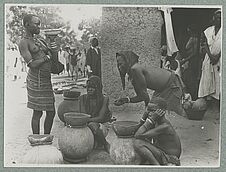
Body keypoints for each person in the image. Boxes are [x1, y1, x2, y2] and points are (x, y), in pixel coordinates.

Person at [114, 51, 186, 117]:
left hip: (170, 84)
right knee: (155, 112)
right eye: (118, 65)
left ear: (127, 61)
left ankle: (193, 118)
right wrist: (126, 100)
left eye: (120, 64)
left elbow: (144, 96)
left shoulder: (135, 70)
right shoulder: (134, 70)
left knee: (176, 111)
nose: (119, 67)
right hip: (163, 87)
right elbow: (142, 96)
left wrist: (147, 113)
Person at [18, 14, 57, 134]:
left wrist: (53, 47)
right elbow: (32, 64)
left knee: (51, 112)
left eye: (39, 24)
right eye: (36, 24)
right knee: (38, 112)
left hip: (46, 80)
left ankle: (46, 138)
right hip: (36, 81)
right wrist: (46, 58)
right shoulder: (24, 43)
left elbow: (54, 60)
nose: (39, 26)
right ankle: (36, 139)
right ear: (27, 25)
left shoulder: (39, 40)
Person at [133, 97, 181, 165]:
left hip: (170, 158)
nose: (149, 113)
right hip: (161, 153)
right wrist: (144, 118)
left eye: (153, 111)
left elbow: (137, 135)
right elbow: (137, 132)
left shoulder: (165, 126)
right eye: (148, 110)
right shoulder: (155, 122)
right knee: (142, 141)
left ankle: (156, 166)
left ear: (163, 111)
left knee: (138, 143)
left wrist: (150, 120)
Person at [78, 76, 112, 153]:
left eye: (92, 87)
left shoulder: (104, 99)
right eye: (88, 87)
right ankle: (96, 141)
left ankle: (105, 143)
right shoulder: (82, 98)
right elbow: (83, 115)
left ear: (98, 88)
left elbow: (100, 118)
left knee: (92, 125)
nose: (89, 89)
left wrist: (87, 120)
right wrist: (85, 120)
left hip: (101, 125)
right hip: (87, 125)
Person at [198, 9, 221, 101]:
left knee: (218, 82)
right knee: (207, 82)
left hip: (220, 59)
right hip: (209, 59)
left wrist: (217, 56)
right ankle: (208, 102)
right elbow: (204, 44)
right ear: (213, 18)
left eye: (221, 18)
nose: (219, 20)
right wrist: (210, 55)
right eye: (217, 18)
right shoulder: (208, 31)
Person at [180, 24, 200, 100]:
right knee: (187, 78)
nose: (188, 30)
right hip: (188, 60)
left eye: (189, 29)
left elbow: (194, 53)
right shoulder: (191, 38)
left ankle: (193, 96)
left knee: (191, 78)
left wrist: (185, 60)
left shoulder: (195, 39)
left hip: (192, 61)